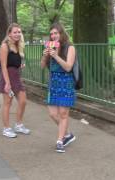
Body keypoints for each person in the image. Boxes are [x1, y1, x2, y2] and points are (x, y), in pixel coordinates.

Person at [41, 22, 76, 153]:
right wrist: (45, 55)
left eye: (56, 33)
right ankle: (67, 134)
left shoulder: (69, 47)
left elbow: (68, 67)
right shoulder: (50, 46)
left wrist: (56, 56)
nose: (54, 36)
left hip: (66, 81)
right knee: (52, 113)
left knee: (63, 114)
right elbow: (42, 66)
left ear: (61, 33)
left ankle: (60, 141)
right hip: (53, 81)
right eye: (51, 34)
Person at [0, 23, 30, 138]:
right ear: (9, 34)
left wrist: (20, 64)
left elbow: (14, 62)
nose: (17, 34)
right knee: (8, 103)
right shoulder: (4, 46)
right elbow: (3, 66)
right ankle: (6, 128)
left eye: (19, 32)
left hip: (16, 76)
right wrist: (7, 83)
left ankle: (18, 125)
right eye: (15, 32)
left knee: (23, 101)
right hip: (7, 77)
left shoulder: (18, 45)